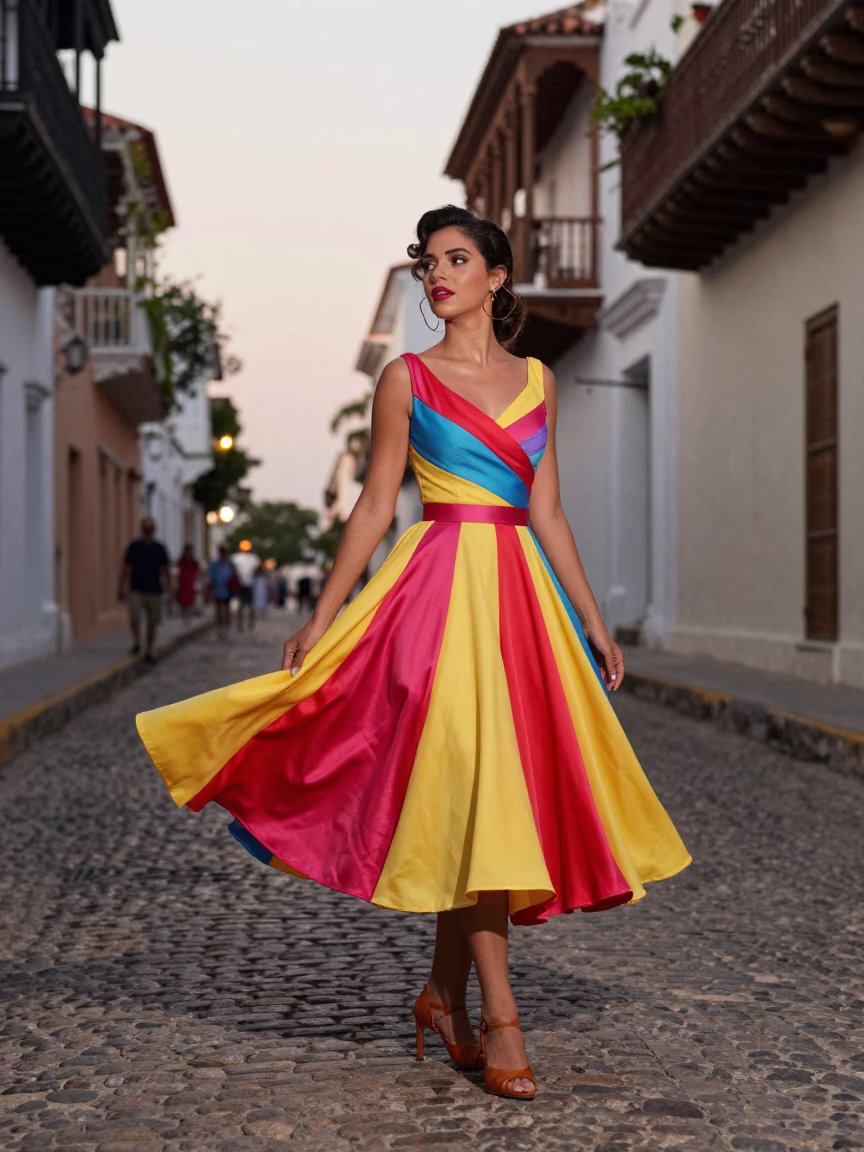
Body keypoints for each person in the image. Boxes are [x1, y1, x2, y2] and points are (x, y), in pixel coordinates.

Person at [136, 206, 690, 1101]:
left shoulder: (541, 382)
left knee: (477, 800)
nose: (437, 275)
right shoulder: (405, 379)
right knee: (475, 789)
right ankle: (501, 1016)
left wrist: (592, 616)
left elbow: (546, 510)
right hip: (434, 599)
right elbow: (369, 507)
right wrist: (321, 616)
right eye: (428, 261)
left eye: (457, 259)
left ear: (496, 277)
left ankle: (441, 993)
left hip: (520, 604)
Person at [119, 517, 170, 664]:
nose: (148, 531)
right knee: (134, 617)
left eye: (150, 529)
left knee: (152, 621)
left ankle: (149, 649)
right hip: (137, 588)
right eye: (146, 528)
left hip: (155, 589)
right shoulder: (134, 547)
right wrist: (122, 586)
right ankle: (137, 642)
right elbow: (126, 568)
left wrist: (170, 588)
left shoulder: (160, 549)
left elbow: (165, 570)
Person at [207, 546, 236, 640]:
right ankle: (220, 628)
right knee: (219, 610)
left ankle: (226, 627)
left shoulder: (230, 564)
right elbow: (210, 578)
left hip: (228, 590)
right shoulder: (215, 565)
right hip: (218, 590)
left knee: (227, 610)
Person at [231, 541, 261, 631]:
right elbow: (257, 571)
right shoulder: (254, 558)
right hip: (249, 584)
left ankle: (240, 624)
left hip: (241, 584)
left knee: (241, 605)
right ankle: (250, 623)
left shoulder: (235, 558)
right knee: (250, 605)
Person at [176, 544, 200, 622]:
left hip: (191, 584)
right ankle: (184, 616)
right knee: (183, 601)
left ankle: (188, 617)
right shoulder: (181, 562)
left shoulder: (194, 563)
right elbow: (176, 572)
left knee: (190, 601)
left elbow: (199, 573)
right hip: (183, 584)